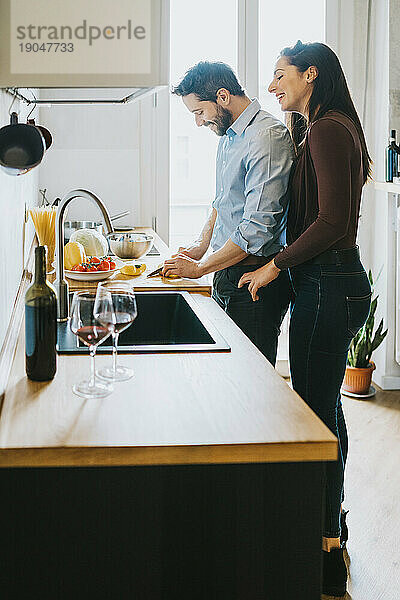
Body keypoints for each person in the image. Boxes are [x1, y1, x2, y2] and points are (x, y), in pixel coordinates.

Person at [238, 41, 372, 597]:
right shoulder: (324, 126)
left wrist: (274, 265)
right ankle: (328, 533)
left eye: (280, 75)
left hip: (328, 283)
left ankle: (324, 548)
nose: (272, 86)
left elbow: (333, 222)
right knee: (325, 413)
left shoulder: (326, 128)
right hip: (333, 285)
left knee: (316, 421)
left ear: (310, 74)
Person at [164, 61, 294, 365]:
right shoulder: (229, 136)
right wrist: (200, 246)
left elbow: (256, 230)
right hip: (226, 271)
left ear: (223, 96)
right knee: (229, 377)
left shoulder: (267, 137)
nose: (198, 122)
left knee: (252, 385)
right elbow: (221, 201)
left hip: (253, 280)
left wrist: (199, 270)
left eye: (199, 112)